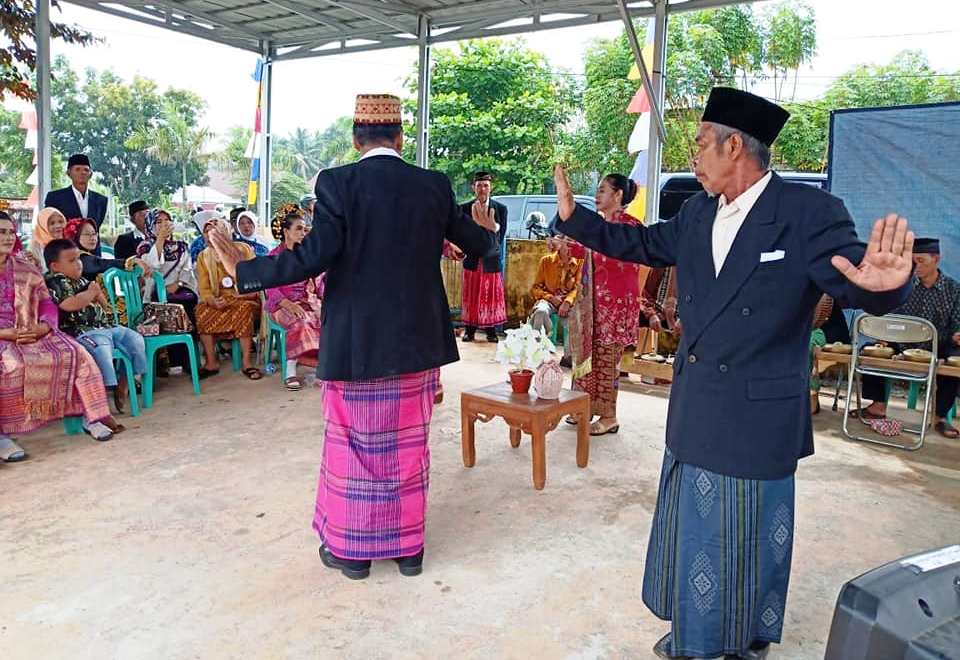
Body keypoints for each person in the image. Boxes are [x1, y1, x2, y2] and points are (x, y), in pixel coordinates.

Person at [553, 87, 915, 660]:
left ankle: (742, 639)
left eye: (701, 144)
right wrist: (576, 222)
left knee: (750, 542)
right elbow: (641, 243)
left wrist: (888, 284)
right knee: (695, 539)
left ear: (735, 146)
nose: (693, 156)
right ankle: (696, 638)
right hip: (698, 404)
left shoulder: (806, 212)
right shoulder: (698, 212)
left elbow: (852, 277)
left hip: (758, 415)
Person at [206, 93, 498, 580]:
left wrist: (247, 270)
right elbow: (477, 244)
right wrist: (486, 235)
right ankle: (408, 552)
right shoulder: (433, 184)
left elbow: (315, 254)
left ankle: (353, 553)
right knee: (408, 444)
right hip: (416, 342)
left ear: (356, 139)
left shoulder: (337, 182)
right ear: (400, 138)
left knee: (354, 446)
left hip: (356, 340)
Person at [0, 211, 115, 463]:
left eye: (11, 232)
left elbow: (47, 303)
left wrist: (44, 326)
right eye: (2, 232)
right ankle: (2, 437)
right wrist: (6, 333)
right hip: (3, 335)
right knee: (13, 365)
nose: (8, 237)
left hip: (32, 329)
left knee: (76, 353)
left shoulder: (25, 267)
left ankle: (91, 417)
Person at [854, 237, 960, 438]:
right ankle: (877, 406)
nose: (915, 267)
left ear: (936, 259)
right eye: (912, 262)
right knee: (871, 350)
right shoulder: (904, 285)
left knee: (955, 359)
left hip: (938, 346)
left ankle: (939, 417)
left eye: (921, 261)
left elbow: (957, 324)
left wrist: (957, 335)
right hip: (904, 344)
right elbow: (890, 316)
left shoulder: (953, 290)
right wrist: (884, 335)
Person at [567, 174, 642, 436]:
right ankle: (584, 408)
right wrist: (565, 247)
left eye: (602, 190)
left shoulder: (630, 226)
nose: (597, 195)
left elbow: (618, 258)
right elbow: (585, 249)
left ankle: (609, 416)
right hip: (595, 303)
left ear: (618, 195)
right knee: (590, 356)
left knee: (608, 360)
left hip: (617, 305)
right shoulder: (601, 225)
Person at [44, 239, 147, 420]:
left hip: (105, 326)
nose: (78, 264)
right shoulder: (56, 281)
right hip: (82, 332)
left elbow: (105, 305)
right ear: (55, 266)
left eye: (79, 259)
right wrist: (90, 293)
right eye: (72, 261)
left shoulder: (83, 280)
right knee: (101, 348)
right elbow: (69, 304)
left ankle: (124, 382)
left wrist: (97, 293)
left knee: (135, 338)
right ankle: (104, 394)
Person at [194, 214, 261, 380]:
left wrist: (241, 294)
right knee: (201, 310)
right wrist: (213, 301)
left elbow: (255, 279)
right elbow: (204, 289)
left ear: (224, 232)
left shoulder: (243, 249)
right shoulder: (204, 256)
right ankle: (211, 362)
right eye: (206, 233)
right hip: (220, 300)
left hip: (245, 297)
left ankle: (247, 363)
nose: (210, 236)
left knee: (244, 310)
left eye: (214, 232)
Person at [265, 204, 323, 391]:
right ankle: (290, 371)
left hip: (306, 302)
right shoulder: (273, 257)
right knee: (300, 322)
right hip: (280, 305)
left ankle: (321, 369)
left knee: (328, 319)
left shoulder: (306, 255)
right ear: (285, 231)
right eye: (298, 229)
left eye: (305, 229)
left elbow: (319, 281)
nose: (303, 233)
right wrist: (289, 304)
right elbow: (271, 289)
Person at [138, 209, 198, 373]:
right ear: (151, 225)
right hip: (154, 295)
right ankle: (174, 361)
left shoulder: (181, 246)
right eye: (159, 222)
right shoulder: (145, 247)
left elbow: (187, 271)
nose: (164, 224)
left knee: (187, 301)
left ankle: (188, 361)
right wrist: (160, 239)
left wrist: (178, 283)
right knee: (170, 302)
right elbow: (151, 267)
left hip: (179, 289)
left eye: (167, 220)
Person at [460, 171, 508, 343]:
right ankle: (469, 331)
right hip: (472, 258)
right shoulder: (464, 208)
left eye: (485, 185)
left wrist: (491, 227)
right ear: (474, 187)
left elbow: (500, 236)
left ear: (490, 187)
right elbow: (460, 234)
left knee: (491, 296)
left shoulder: (500, 209)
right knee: (471, 294)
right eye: (479, 185)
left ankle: (491, 331)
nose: (482, 189)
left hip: (490, 259)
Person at [529, 234, 582, 365]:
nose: (571, 246)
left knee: (575, 318)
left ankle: (568, 358)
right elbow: (535, 288)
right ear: (560, 244)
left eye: (574, 242)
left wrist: (567, 301)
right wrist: (551, 298)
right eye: (568, 241)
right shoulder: (546, 261)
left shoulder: (580, 262)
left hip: (568, 303)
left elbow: (579, 288)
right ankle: (538, 353)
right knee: (540, 311)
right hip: (549, 300)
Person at [43, 154, 108, 250]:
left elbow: (96, 227)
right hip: (66, 251)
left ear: (90, 174)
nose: (82, 172)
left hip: (93, 254)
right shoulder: (55, 197)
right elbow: (50, 226)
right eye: (77, 169)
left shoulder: (101, 200)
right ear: (69, 173)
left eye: (86, 170)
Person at [64, 218, 151, 280]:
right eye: (87, 234)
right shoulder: (79, 258)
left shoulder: (85, 255)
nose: (93, 238)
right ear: (74, 237)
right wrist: (131, 261)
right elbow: (100, 264)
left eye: (94, 233)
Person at [27, 207, 67, 272]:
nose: (58, 226)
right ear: (43, 226)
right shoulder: (35, 246)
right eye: (52, 223)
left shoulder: (67, 243)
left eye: (60, 222)